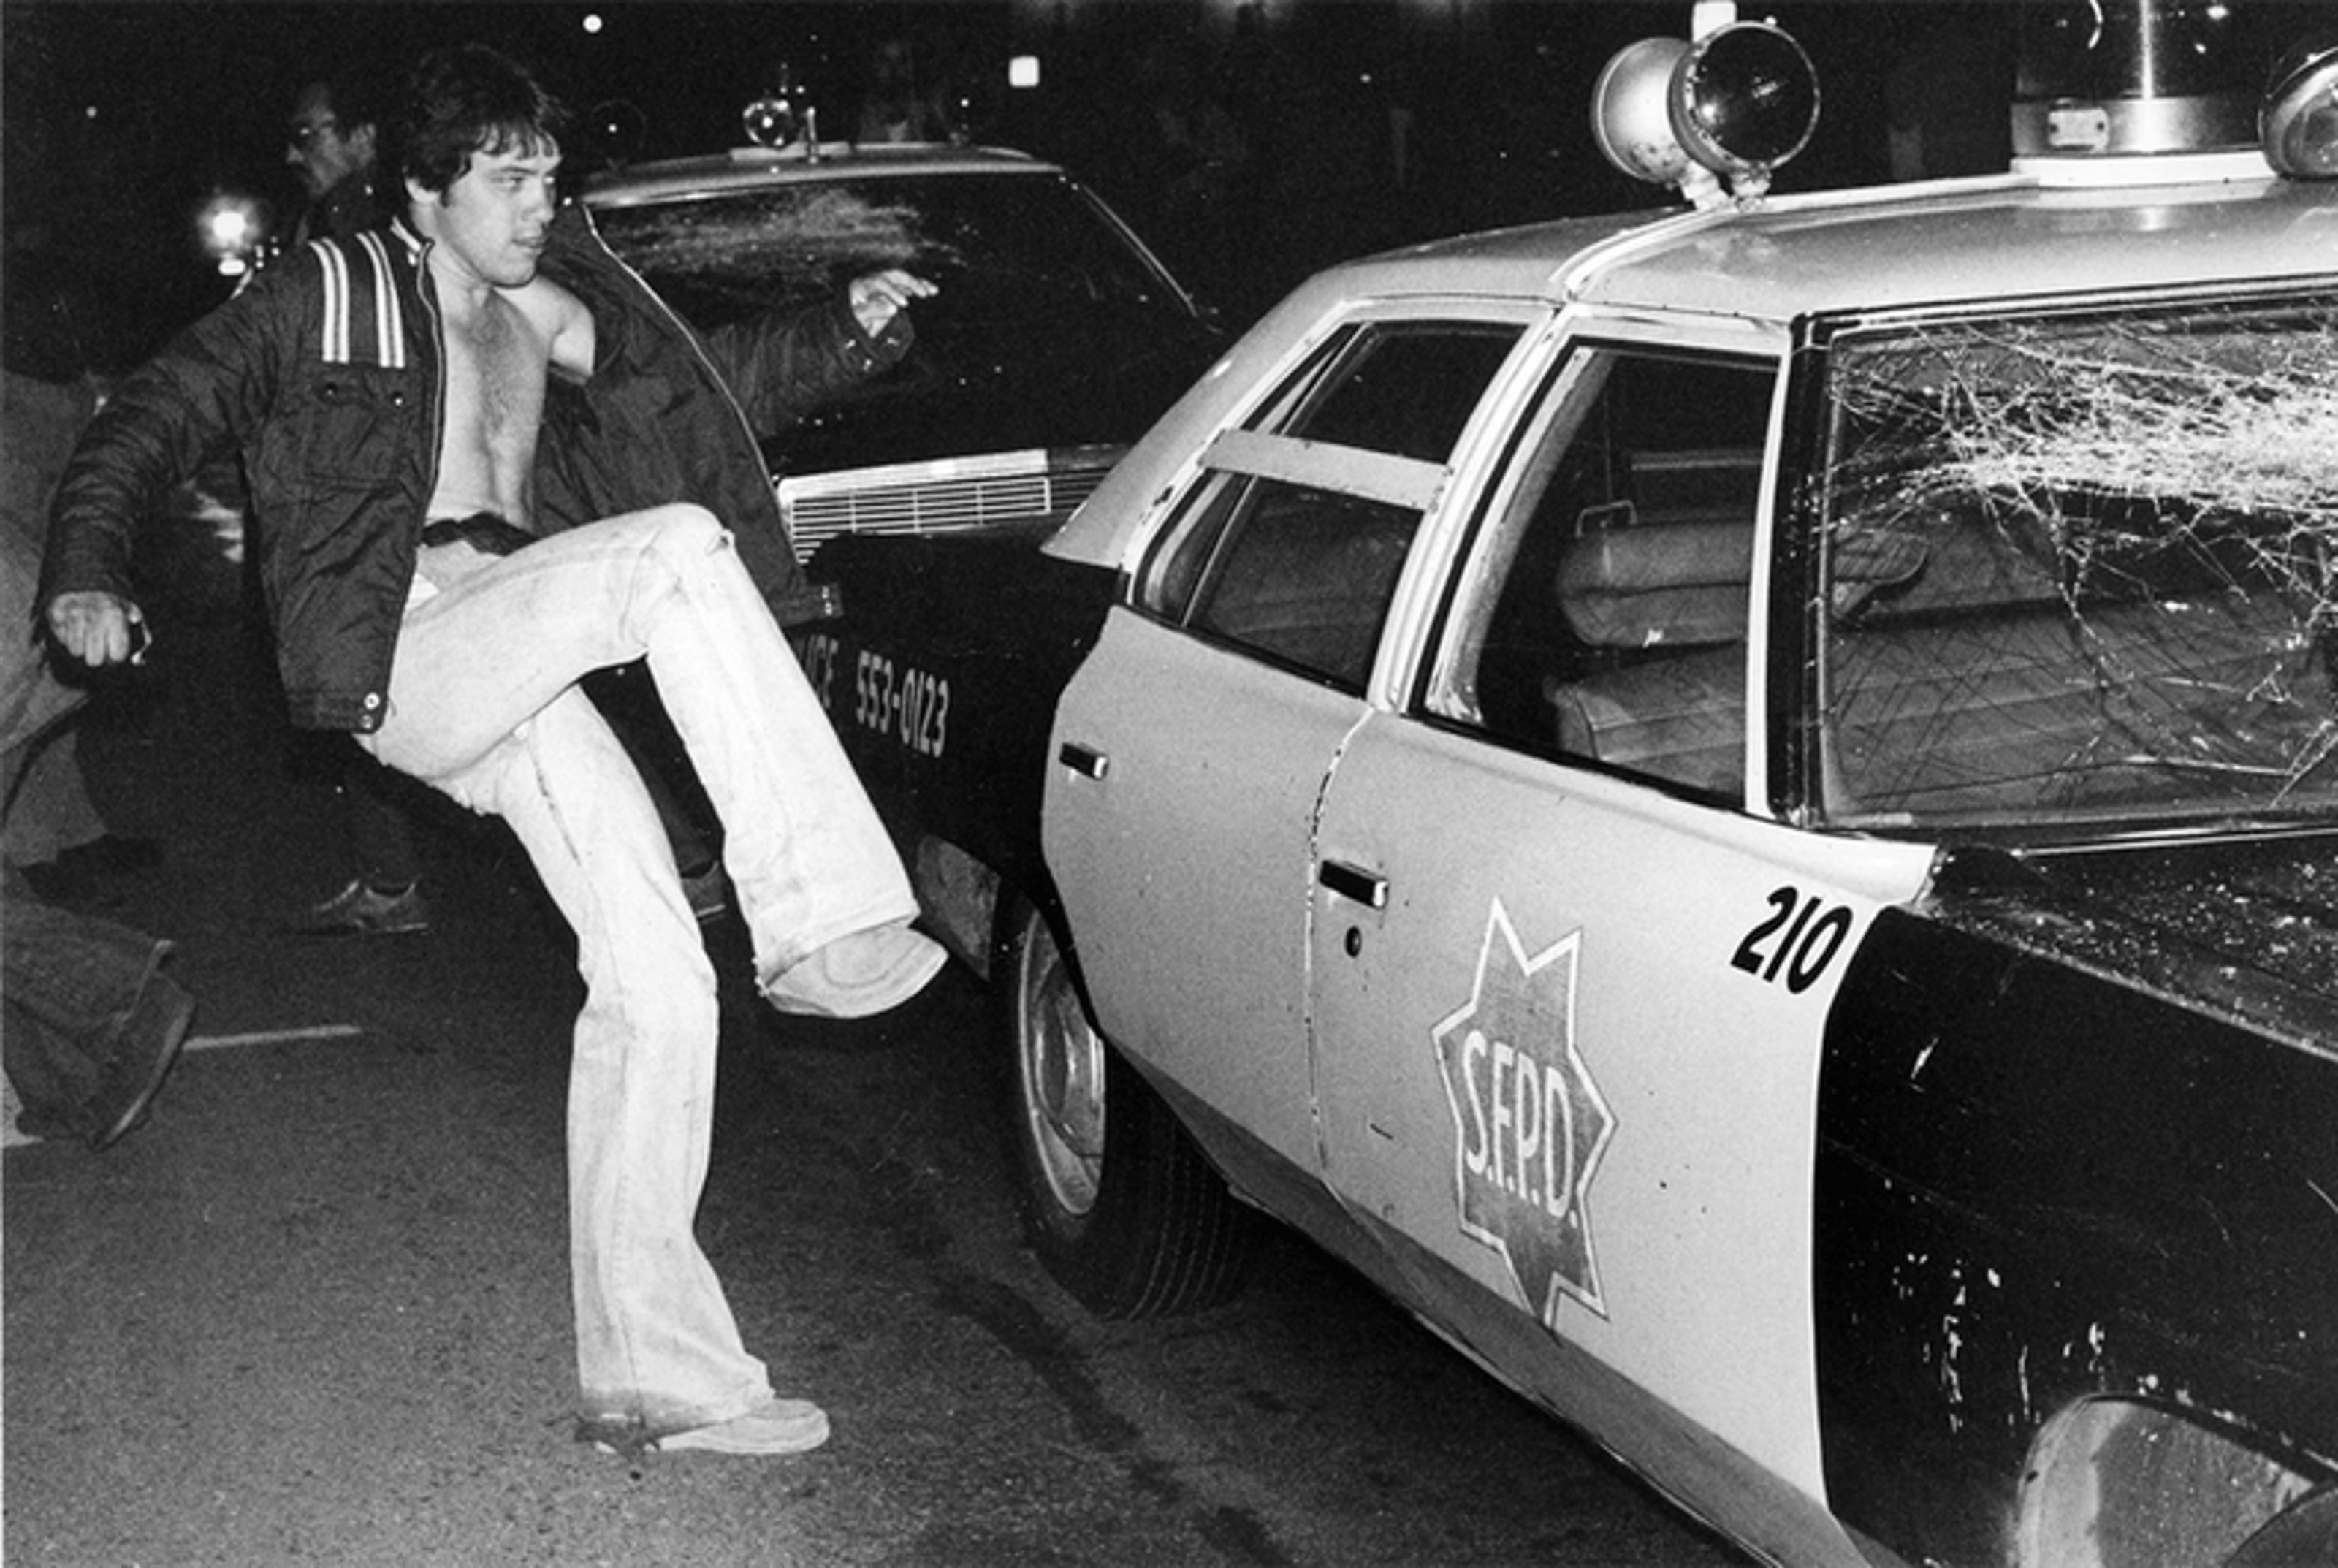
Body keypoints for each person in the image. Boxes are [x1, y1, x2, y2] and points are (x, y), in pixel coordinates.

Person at [42, 41, 945, 1456]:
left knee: (656, 975)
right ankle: (822, 918)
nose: (538, 198)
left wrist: (849, 329)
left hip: (515, 634)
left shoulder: (549, 311)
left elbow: (706, 393)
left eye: (546, 171)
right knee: (675, 553)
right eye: (506, 174)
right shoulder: (324, 295)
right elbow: (146, 426)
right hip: (398, 640)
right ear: (420, 187)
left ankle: (660, 1371)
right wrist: (88, 569)